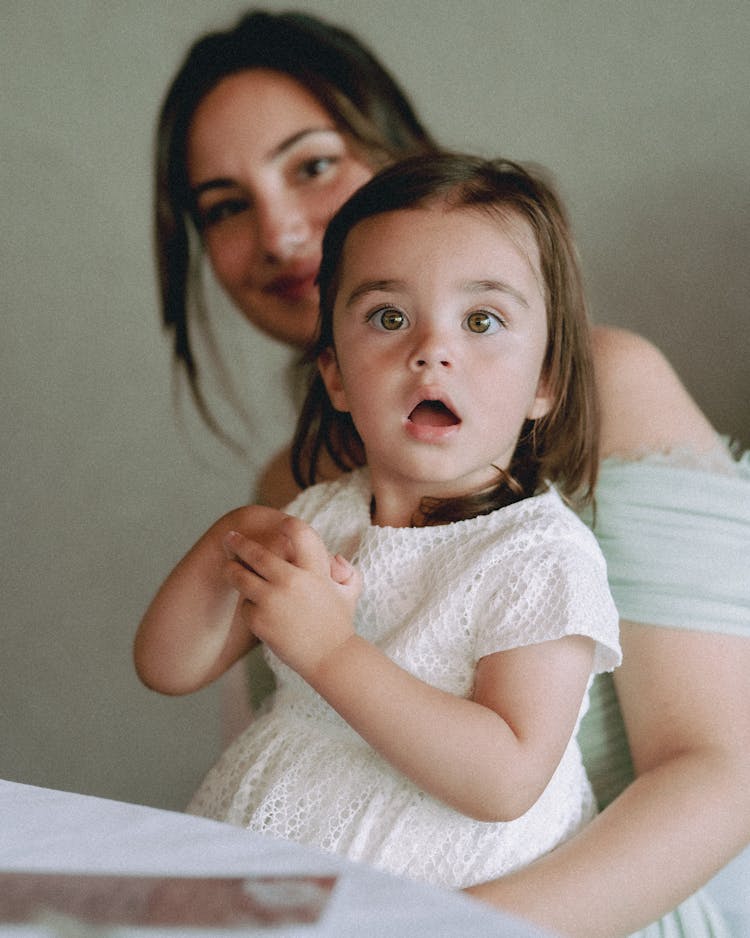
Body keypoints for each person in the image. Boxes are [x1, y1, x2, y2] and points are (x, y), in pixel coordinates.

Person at [152, 10, 750, 937]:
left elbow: (721, 776)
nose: (278, 232)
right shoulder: (300, 492)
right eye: (226, 205)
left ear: (400, 157)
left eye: (311, 165)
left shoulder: (607, 392)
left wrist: (437, 928)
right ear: (336, 376)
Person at [136, 154, 622, 888]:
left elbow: (506, 778)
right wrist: (232, 540)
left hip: (432, 901)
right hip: (268, 874)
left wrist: (330, 652)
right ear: (334, 373)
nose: (432, 350)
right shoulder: (322, 517)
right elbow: (167, 666)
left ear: (546, 379)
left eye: (482, 320)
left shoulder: (541, 557)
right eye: (388, 317)